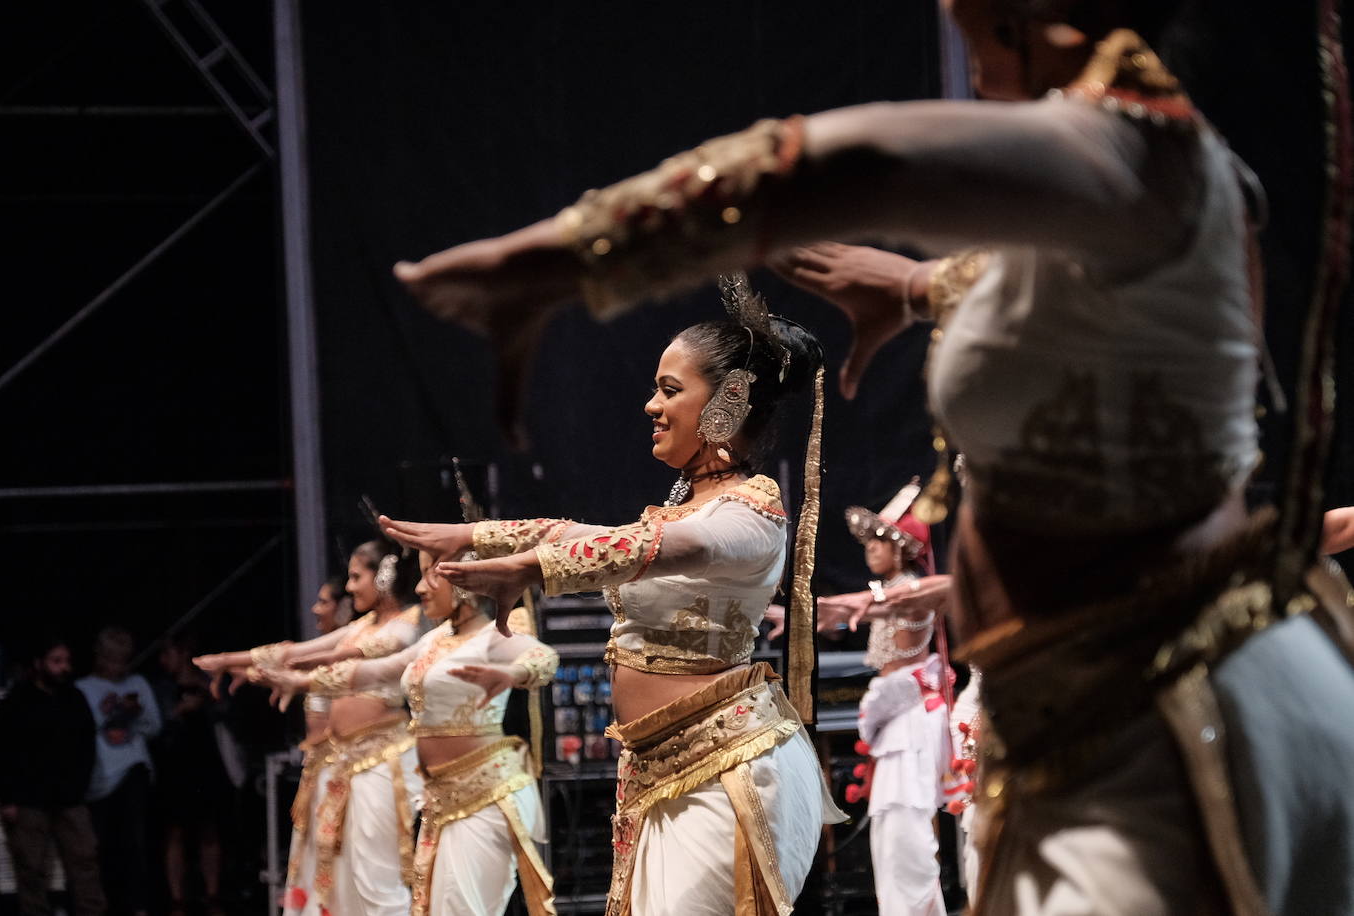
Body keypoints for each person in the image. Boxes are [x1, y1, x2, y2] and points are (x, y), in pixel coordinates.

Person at [386, 1, 1354, 911]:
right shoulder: (1131, 194)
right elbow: (976, 275)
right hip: (1123, 694)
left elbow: (834, 161)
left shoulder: (1126, 146)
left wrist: (557, 264)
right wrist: (901, 285)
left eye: (971, 11)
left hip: (1165, 702)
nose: (952, 24)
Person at [383, 287, 845, 916]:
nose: (651, 405)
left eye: (670, 389)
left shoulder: (751, 513)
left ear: (729, 401)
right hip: (659, 768)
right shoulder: (687, 507)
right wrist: (475, 535)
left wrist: (531, 567)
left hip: (727, 766)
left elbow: (653, 546)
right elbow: (594, 536)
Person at [261, 550, 559, 915]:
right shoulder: (434, 641)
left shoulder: (494, 633)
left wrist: (512, 675)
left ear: (463, 581)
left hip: (485, 796)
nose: (419, 588)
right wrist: (301, 681)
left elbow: (542, 658)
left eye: (431, 576)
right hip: (440, 800)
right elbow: (374, 672)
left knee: (463, 909)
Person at [196, 541, 424, 916]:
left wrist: (281, 672)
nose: (349, 588)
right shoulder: (363, 625)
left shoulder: (407, 627)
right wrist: (229, 661)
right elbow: (295, 650)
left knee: (373, 867)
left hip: (382, 760)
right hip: (339, 759)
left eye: (356, 577)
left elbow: (335, 658)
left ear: (383, 578)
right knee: (331, 863)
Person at [823, 484, 951, 916]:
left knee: (905, 833)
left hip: (908, 720)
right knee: (891, 835)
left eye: (881, 540)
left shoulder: (912, 594)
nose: (870, 549)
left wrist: (839, 605)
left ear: (901, 548)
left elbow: (894, 608)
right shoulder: (892, 593)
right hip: (894, 720)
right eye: (870, 540)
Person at [0, 638, 106, 916]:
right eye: (56, 661)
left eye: (66, 661)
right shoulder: (18, 700)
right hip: (30, 798)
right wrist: (8, 797)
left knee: (84, 861)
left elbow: (86, 744)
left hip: (69, 796)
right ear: (39, 664)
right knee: (31, 867)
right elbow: (2, 752)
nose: (63, 668)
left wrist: (80, 785)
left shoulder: (73, 698)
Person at [77, 627, 161, 916]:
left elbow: (154, 725)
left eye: (124, 660)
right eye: (114, 659)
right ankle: (106, 904)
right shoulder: (84, 688)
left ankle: (137, 904)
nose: (119, 667)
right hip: (100, 776)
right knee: (103, 845)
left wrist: (132, 716)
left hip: (133, 769)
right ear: (101, 657)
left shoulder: (137, 682)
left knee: (133, 843)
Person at [154, 635, 235, 916]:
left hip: (206, 762)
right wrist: (179, 711)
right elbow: (156, 725)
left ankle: (212, 895)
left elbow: (227, 709)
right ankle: (178, 900)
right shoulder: (163, 687)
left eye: (168, 654)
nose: (163, 662)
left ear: (182, 652)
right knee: (174, 830)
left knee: (209, 829)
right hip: (175, 764)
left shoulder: (207, 680)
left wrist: (204, 692)